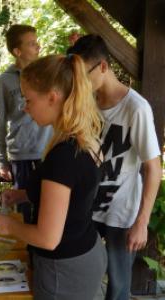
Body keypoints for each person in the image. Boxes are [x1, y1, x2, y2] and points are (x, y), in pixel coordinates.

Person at [0, 54, 107, 300]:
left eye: (28, 99)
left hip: (65, 270)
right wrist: (25, 193)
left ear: (52, 97)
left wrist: (10, 225)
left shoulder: (64, 155)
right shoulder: (85, 138)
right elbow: (74, 193)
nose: (25, 107)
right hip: (86, 251)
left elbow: (47, 238)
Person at [67, 34, 162, 300]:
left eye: (84, 74)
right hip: (87, 208)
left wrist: (142, 222)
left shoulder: (137, 108)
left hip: (121, 213)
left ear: (103, 67)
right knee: (82, 277)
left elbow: (153, 168)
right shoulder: (86, 103)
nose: (80, 83)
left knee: (118, 287)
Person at [0, 24, 52, 223]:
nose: (38, 47)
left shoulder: (47, 75)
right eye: (32, 44)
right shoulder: (4, 81)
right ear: (17, 51)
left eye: (37, 42)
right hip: (21, 155)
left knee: (49, 207)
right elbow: (0, 118)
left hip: (48, 152)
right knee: (24, 211)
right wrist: (2, 158)